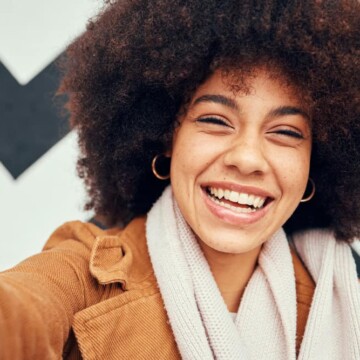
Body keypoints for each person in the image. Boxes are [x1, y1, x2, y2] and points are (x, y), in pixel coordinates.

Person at [1, 0, 359, 359]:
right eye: (215, 120)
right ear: (166, 136)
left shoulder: (343, 300)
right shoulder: (85, 276)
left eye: (285, 132)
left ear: (316, 160)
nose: (248, 158)